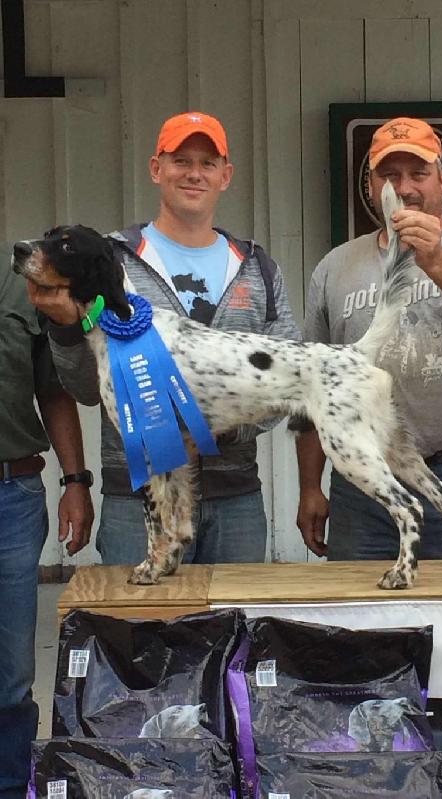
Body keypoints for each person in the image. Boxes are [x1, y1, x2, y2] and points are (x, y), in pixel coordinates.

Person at [29, 112, 300, 567]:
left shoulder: (259, 268)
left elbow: (285, 376)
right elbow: (83, 388)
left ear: (225, 176)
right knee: (139, 634)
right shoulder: (108, 260)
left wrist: (216, 424)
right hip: (138, 501)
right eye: (181, 160)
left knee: (236, 636)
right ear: (157, 169)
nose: (194, 173)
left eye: (208, 162)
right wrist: (64, 325)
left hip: (236, 500)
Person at [296, 116, 442, 562]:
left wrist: (435, 258)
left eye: (418, 173)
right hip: (363, 482)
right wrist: (309, 487)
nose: (405, 187)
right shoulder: (335, 266)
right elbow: (313, 388)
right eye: (390, 174)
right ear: (371, 184)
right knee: (363, 623)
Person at [0, 243, 94, 798]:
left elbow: (54, 391)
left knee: (10, 677)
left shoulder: (22, 283)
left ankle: (11, 786)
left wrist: (76, 483)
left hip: (11, 494)